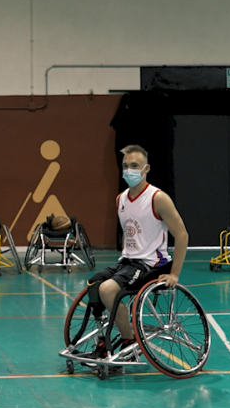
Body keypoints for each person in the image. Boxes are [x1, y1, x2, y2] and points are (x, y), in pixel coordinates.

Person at [79, 144, 189, 350]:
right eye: (125, 166)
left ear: (146, 169)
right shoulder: (120, 199)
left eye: (135, 165)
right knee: (94, 284)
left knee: (108, 290)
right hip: (127, 262)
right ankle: (105, 336)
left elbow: (182, 235)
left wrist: (175, 274)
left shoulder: (158, 198)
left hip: (152, 264)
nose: (129, 170)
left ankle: (129, 342)